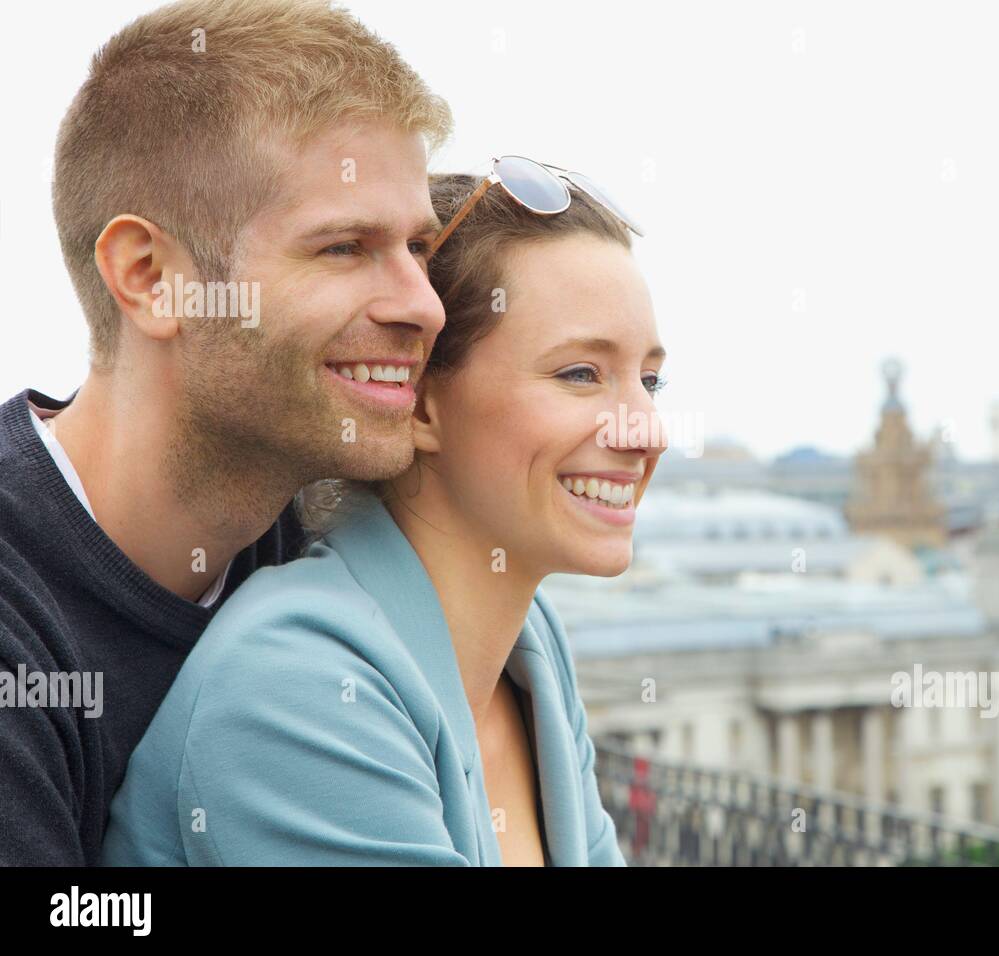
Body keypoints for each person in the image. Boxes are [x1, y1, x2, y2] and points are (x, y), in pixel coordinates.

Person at [101, 163, 667, 865]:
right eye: (579, 374)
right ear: (421, 400)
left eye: (650, 380)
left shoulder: (532, 651)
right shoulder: (297, 686)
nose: (646, 432)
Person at [0, 0, 451, 865]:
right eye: (345, 247)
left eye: (419, 248)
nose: (422, 306)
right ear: (150, 277)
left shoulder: (330, 541)